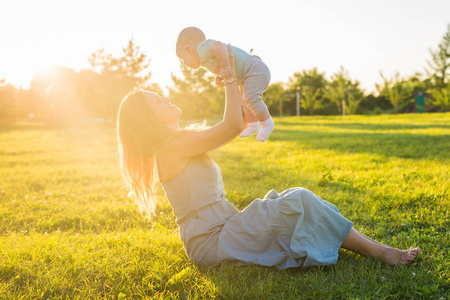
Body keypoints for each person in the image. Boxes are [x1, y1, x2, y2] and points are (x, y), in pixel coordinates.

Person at [116, 46, 420, 270]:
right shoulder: (170, 149)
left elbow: (241, 123)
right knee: (298, 198)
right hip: (213, 243)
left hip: (227, 227)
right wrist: (227, 69)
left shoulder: (181, 141)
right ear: (148, 119)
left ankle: (368, 248)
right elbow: (232, 125)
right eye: (157, 100)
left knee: (291, 199)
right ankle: (382, 253)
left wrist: (239, 83)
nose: (165, 98)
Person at [176, 26, 274, 142]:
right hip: (246, 74)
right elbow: (220, 64)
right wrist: (220, 77)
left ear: (189, 49)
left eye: (183, 58)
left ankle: (267, 123)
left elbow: (218, 46)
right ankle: (253, 125)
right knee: (244, 100)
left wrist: (225, 66)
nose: (184, 63)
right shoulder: (204, 60)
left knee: (250, 98)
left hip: (254, 69)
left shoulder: (201, 49)